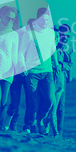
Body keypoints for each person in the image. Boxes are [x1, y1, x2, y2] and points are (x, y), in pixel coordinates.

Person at [21, 7, 59, 135]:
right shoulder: (29, 33)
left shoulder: (50, 32)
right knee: (34, 102)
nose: (45, 22)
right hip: (32, 73)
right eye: (43, 20)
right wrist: (23, 66)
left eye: (47, 20)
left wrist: (57, 64)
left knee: (50, 100)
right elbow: (21, 52)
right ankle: (31, 125)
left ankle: (40, 119)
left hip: (48, 72)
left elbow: (52, 49)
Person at [2, 18, 35, 131]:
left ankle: (27, 126)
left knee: (30, 101)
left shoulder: (36, 40)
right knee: (15, 102)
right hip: (16, 73)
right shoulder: (17, 35)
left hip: (29, 74)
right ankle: (10, 123)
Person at [45, 24, 74, 136]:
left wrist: (64, 68)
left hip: (61, 77)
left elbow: (70, 63)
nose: (65, 37)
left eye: (68, 35)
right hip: (49, 77)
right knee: (49, 102)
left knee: (61, 106)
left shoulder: (69, 47)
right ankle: (45, 127)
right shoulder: (52, 46)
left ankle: (58, 132)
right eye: (63, 35)